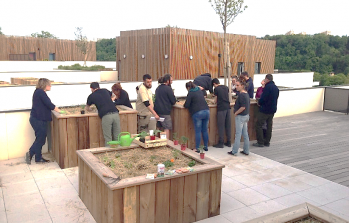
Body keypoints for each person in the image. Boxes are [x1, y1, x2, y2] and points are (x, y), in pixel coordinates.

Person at [26, 78, 62, 164]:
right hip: (38, 120)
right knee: (41, 140)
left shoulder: (39, 92)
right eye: (49, 84)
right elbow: (49, 104)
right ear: (44, 85)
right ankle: (30, 153)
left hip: (37, 119)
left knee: (40, 138)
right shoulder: (40, 92)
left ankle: (38, 158)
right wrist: (61, 111)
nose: (51, 86)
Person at [253, 74, 279, 147]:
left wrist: (259, 102)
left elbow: (263, 98)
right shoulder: (275, 88)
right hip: (273, 109)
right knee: (269, 125)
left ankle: (260, 142)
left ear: (267, 79)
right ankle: (267, 142)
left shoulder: (267, 87)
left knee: (259, 125)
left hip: (265, 109)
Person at [184, 81, 210, 152]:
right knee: (205, 130)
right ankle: (206, 147)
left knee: (198, 131)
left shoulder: (191, 92)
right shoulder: (198, 90)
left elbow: (186, 105)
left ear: (188, 87)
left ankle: (197, 148)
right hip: (206, 111)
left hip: (197, 113)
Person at [228, 79, 250, 156]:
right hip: (246, 116)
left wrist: (236, 113)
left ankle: (234, 151)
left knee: (238, 134)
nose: (236, 87)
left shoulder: (242, 95)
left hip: (241, 116)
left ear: (242, 86)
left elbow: (243, 107)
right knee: (245, 134)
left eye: (238, 85)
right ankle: (246, 150)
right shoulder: (246, 94)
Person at [154, 74, 176, 139]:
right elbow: (173, 101)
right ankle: (166, 143)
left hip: (157, 111)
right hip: (165, 112)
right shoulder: (168, 89)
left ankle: (158, 141)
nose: (172, 82)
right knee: (167, 128)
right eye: (171, 80)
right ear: (167, 81)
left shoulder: (158, 88)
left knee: (159, 128)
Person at [212, 78, 231, 148]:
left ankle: (221, 142)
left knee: (221, 125)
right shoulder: (226, 87)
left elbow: (216, 100)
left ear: (214, 84)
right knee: (228, 125)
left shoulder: (216, 89)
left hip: (221, 108)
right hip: (228, 107)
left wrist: (213, 101)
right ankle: (229, 141)